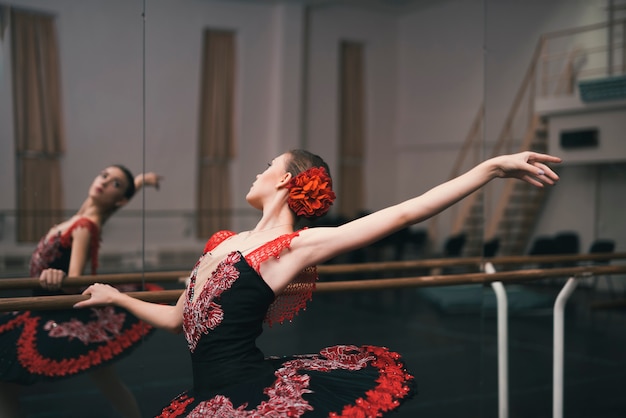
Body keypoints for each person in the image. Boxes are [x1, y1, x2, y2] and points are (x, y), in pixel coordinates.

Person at [75, 150, 561, 417]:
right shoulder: (222, 241)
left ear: (286, 179)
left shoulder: (295, 247)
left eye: (267, 165)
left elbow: (407, 212)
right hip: (207, 395)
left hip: (246, 397)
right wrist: (116, 295)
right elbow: (177, 318)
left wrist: (490, 168)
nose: (258, 170)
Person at [0, 165, 162, 418]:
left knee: (107, 381)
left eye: (115, 184)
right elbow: (102, 205)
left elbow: (75, 284)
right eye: (104, 175)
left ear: (119, 198)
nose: (104, 181)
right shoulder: (84, 215)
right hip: (42, 306)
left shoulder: (86, 225)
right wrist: (140, 181)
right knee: (8, 385)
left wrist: (59, 277)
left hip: (59, 311)